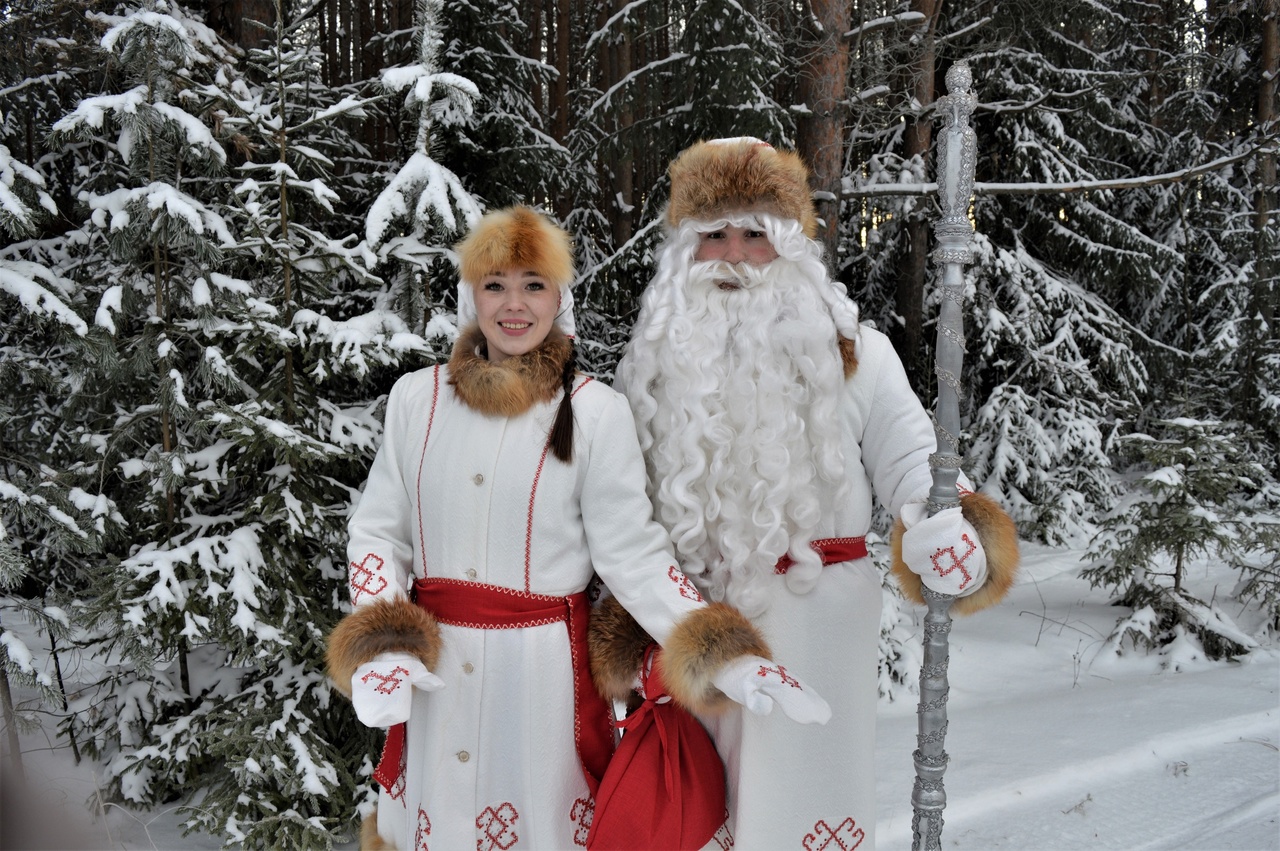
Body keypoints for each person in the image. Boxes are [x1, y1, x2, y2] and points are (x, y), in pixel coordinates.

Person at [324, 205, 830, 851]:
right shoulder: (414, 399)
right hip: (435, 677)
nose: (514, 304)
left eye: (534, 284)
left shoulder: (596, 411)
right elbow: (378, 531)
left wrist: (722, 652)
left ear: (560, 297)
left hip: (540, 685)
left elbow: (635, 556)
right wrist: (385, 644)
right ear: (469, 293)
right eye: (496, 283)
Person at [592, 138, 1022, 849]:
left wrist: (950, 529)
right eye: (714, 236)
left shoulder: (859, 355)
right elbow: (614, 517)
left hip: (815, 638)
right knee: (694, 814)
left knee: (801, 816)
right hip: (692, 636)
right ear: (683, 252)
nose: (733, 253)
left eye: (755, 234)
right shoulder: (649, 372)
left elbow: (916, 458)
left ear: (789, 246)